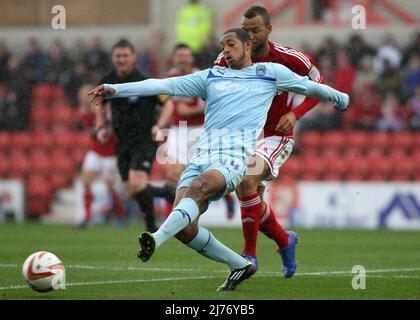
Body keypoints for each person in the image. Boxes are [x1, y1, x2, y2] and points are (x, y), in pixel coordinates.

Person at [89, 28, 349, 291]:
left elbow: (310, 87)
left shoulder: (270, 74)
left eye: (231, 44)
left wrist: (340, 97)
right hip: (200, 157)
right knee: (185, 229)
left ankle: (156, 238)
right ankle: (239, 264)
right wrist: (114, 89)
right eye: (223, 45)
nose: (225, 49)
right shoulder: (211, 76)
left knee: (198, 188)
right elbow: (162, 84)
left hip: (233, 160)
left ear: (248, 45)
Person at [214, 5, 328, 277]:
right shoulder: (226, 58)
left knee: (247, 180)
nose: (250, 36)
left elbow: (320, 86)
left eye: (255, 30)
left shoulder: (291, 59)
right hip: (242, 136)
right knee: (249, 196)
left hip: (275, 135)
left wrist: (295, 113)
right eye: (246, 30)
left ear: (268, 30)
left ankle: (249, 257)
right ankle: (285, 241)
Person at [95, 39, 174, 232]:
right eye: (118, 56)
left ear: (134, 58)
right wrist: (100, 127)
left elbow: (169, 105)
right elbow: (98, 104)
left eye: (125, 55)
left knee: (138, 183)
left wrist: (159, 125)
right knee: (131, 190)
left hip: (144, 139)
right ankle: (167, 191)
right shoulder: (107, 80)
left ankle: (151, 227)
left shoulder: (146, 81)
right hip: (122, 142)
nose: (121, 59)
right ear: (113, 58)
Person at [153, 43, 236, 220]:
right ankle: (172, 219)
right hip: (177, 131)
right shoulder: (170, 78)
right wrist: (160, 125)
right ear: (174, 58)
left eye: (186, 56)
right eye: (179, 56)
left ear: (191, 58)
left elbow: (212, 105)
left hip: (199, 131)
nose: (183, 59)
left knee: (203, 175)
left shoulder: (201, 77)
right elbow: (168, 105)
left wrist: (189, 111)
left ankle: (227, 197)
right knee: (172, 174)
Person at [77, 84, 124, 228]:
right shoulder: (83, 113)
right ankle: (87, 216)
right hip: (96, 152)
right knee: (85, 181)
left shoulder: (106, 110)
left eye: (86, 94)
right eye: (81, 95)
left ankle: (119, 217)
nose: (83, 98)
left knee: (110, 187)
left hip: (110, 154)